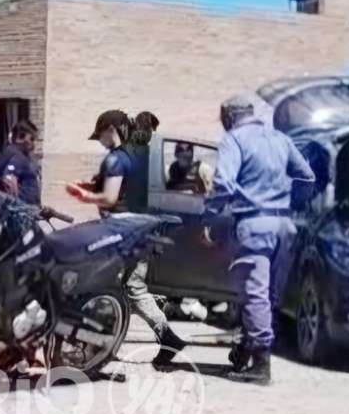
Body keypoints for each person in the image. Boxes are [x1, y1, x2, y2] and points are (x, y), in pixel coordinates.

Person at [203, 95, 315, 385]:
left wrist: (210, 216)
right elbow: (307, 177)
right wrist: (294, 203)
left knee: (254, 295)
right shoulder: (280, 139)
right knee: (270, 296)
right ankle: (247, 351)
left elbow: (223, 183)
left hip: (254, 226)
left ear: (229, 117)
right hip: (284, 226)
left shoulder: (234, 140)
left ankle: (261, 366)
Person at [66, 109, 187, 366]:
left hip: (128, 234)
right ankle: (119, 343)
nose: (101, 142)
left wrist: (86, 195)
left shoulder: (125, 157)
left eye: (101, 136)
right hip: (134, 232)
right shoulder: (140, 157)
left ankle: (163, 339)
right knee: (122, 288)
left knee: (125, 288)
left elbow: (114, 196)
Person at [0, 120, 41, 206]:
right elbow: (8, 178)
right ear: (20, 138)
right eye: (32, 139)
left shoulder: (8, 152)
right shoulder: (18, 156)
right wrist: (15, 204)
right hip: (23, 209)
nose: (34, 144)